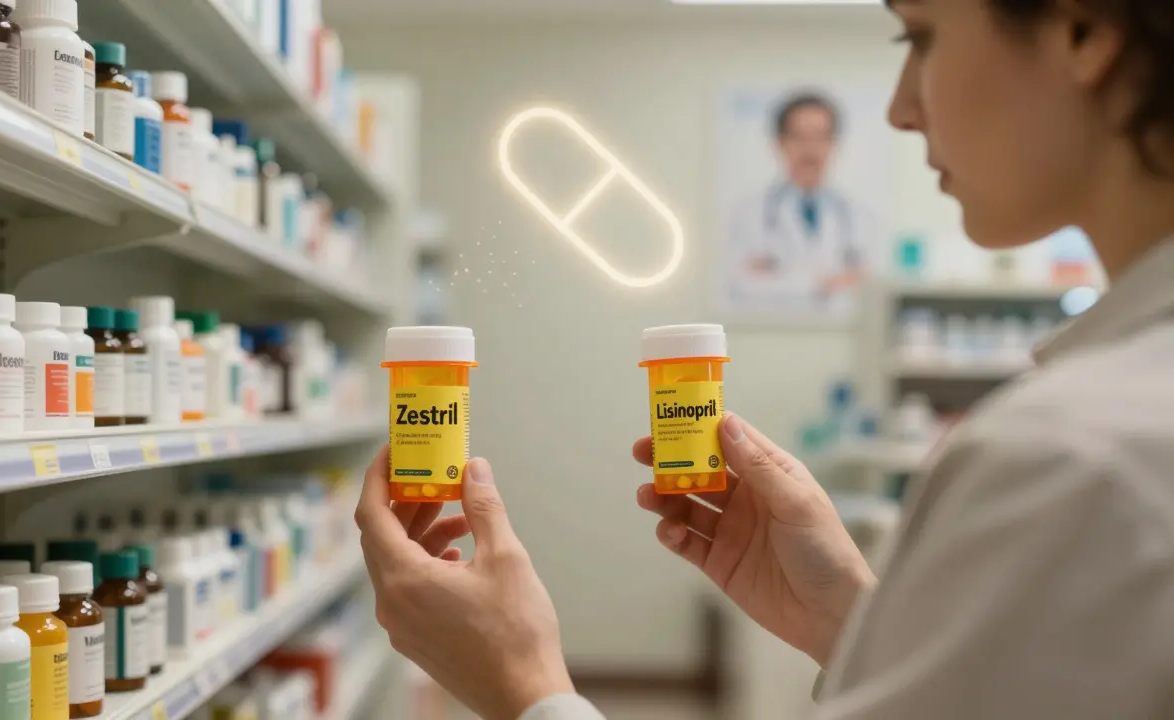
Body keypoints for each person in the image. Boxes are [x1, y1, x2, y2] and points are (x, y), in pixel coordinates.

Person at [356, 0, 1174, 717]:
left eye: (919, 37)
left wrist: (520, 684)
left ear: (1080, 30)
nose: (898, 109)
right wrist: (846, 619)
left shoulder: (1081, 459)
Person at [730, 91, 863, 299]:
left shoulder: (859, 214)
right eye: (799, 137)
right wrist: (824, 283)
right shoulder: (749, 212)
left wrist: (779, 277)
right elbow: (742, 285)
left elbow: (871, 284)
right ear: (780, 143)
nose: (810, 149)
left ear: (834, 143)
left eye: (820, 137)